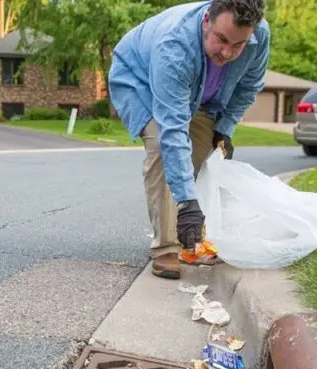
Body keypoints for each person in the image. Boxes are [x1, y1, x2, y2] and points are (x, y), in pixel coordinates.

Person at [108, 0, 269, 279]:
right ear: (207, 20)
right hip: (140, 81)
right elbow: (172, 130)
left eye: (238, 45)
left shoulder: (259, 35)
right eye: (221, 39)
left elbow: (249, 86)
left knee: (198, 158)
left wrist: (225, 128)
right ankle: (166, 248)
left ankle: (190, 240)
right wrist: (187, 203)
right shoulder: (175, 45)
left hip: (202, 99)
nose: (228, 53)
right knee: (163, 147)